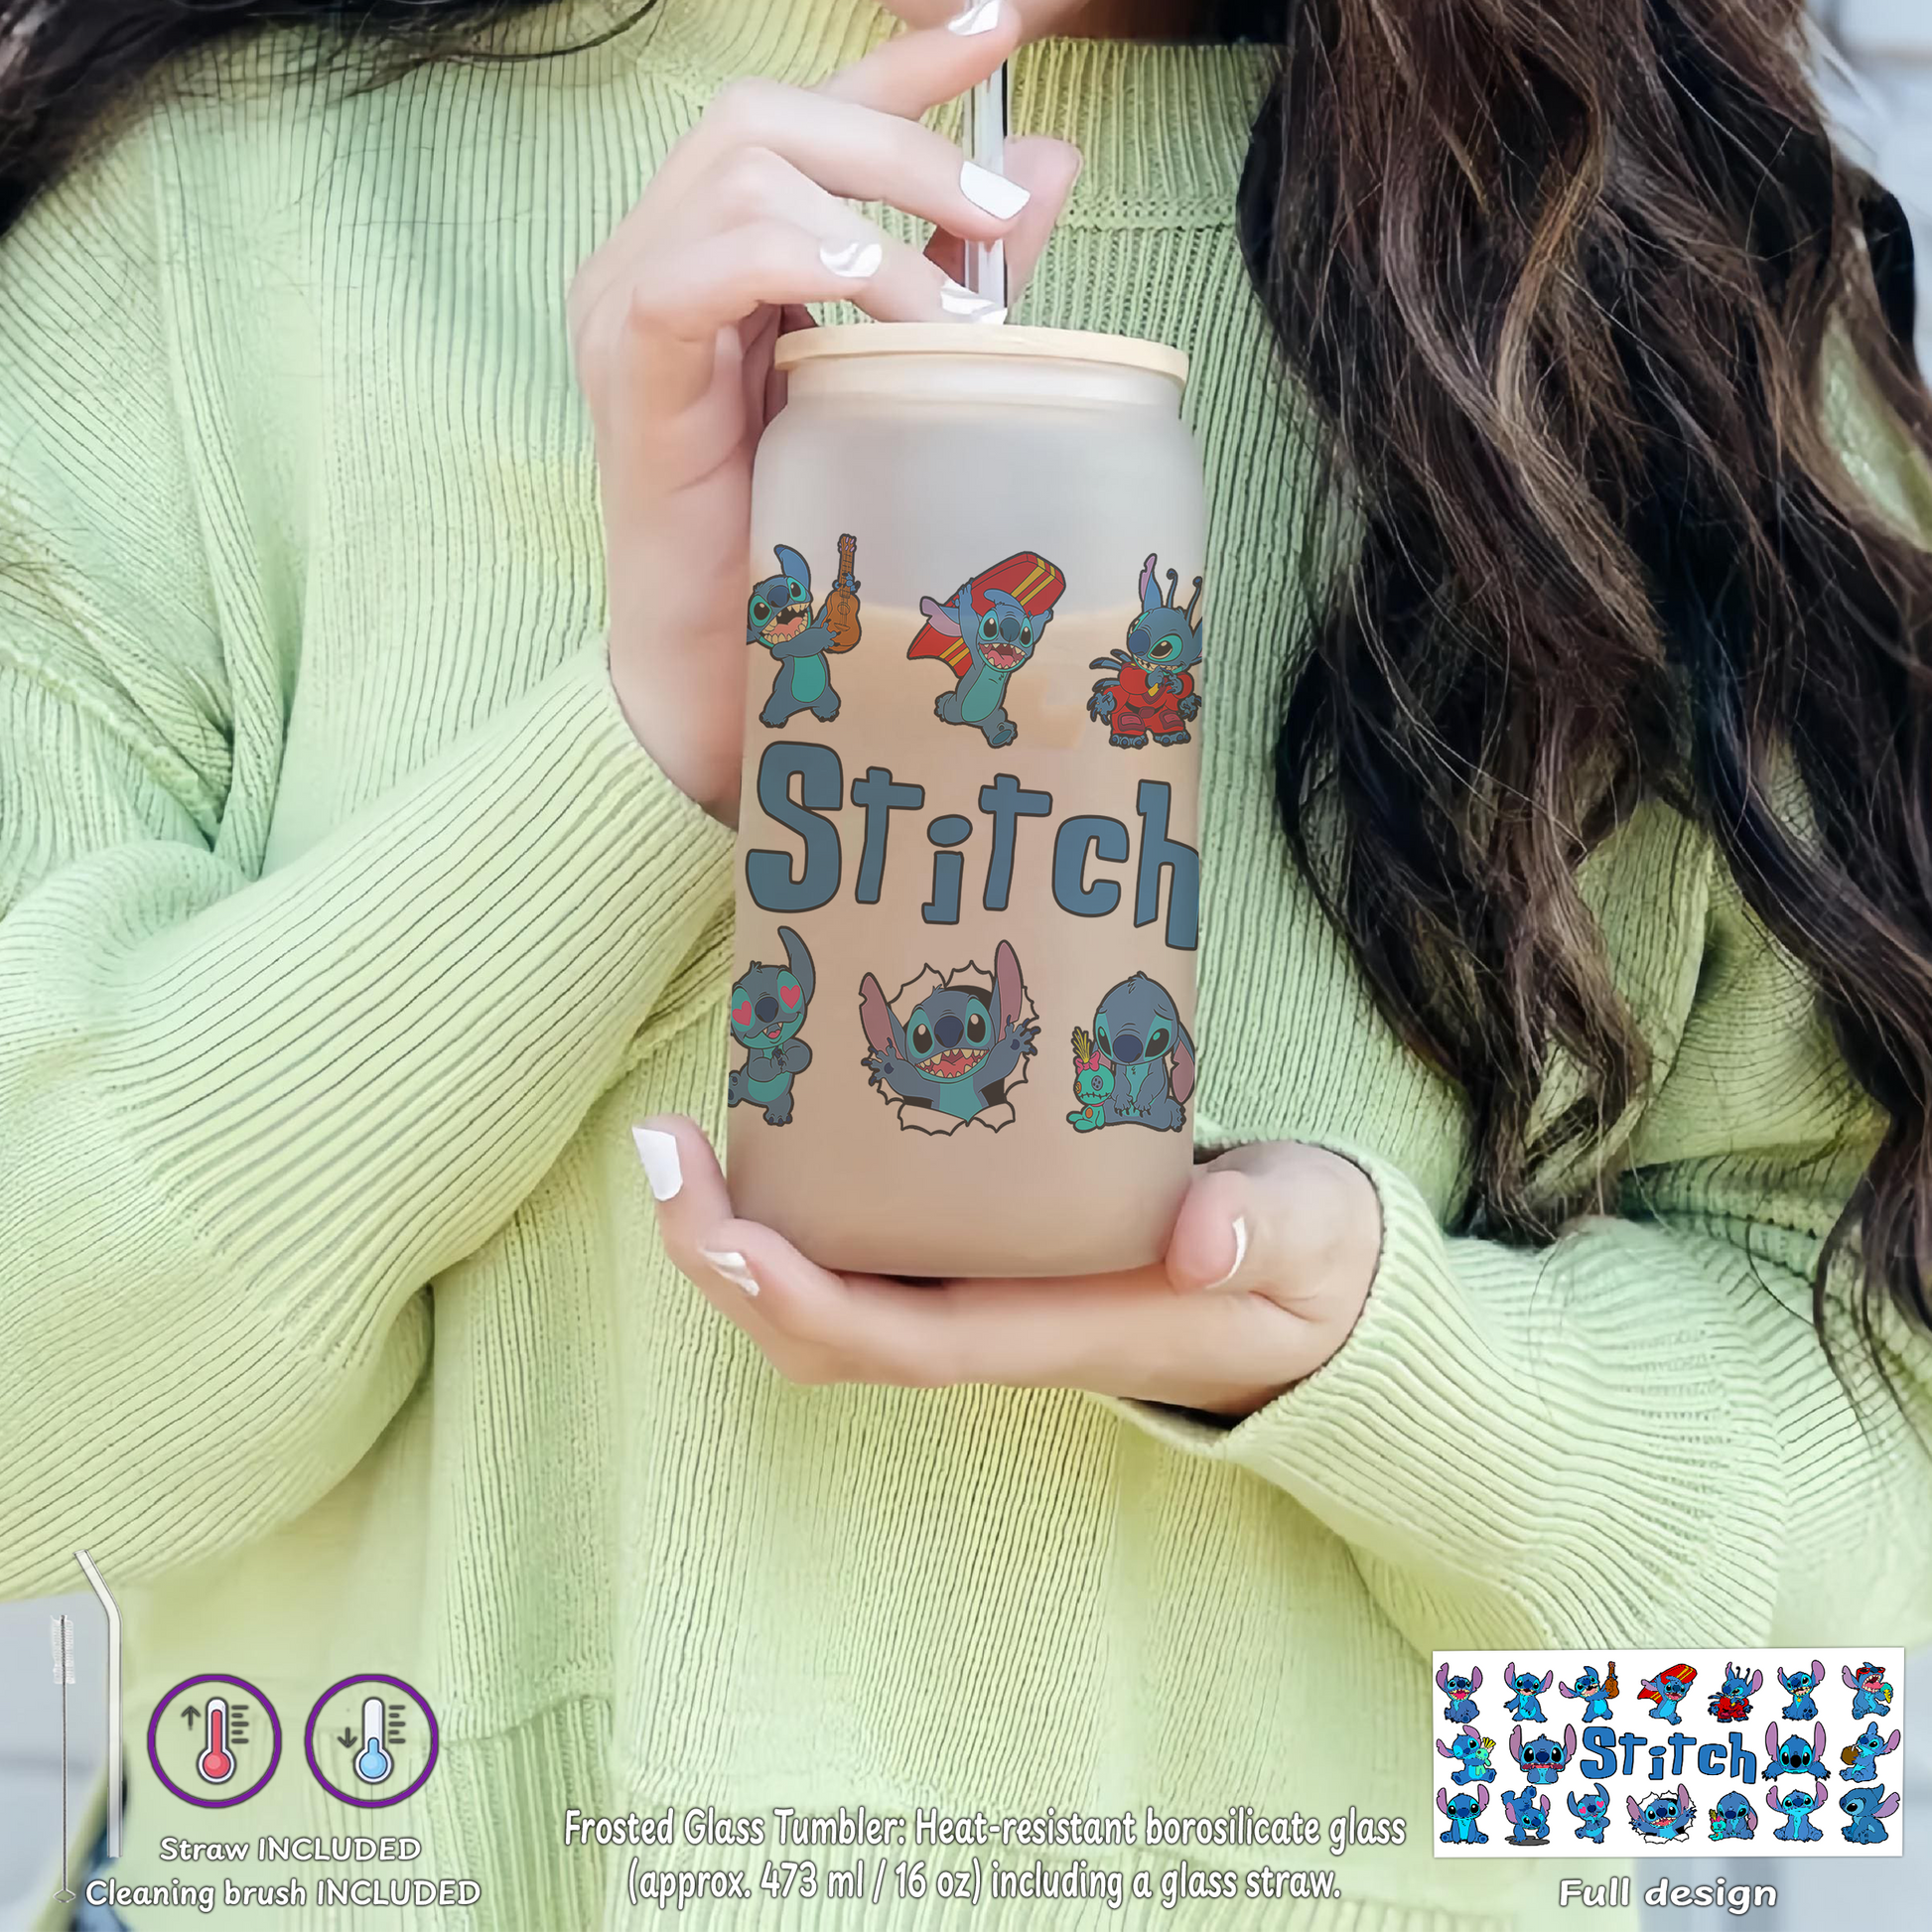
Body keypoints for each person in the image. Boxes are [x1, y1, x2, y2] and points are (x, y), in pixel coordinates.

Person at [2, 2, 1929, 1927]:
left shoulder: (1663, 267)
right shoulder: (212, 214)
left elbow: (1817, 1708)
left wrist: (1376, 1365)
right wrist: (654, 734)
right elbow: (35, 1477)